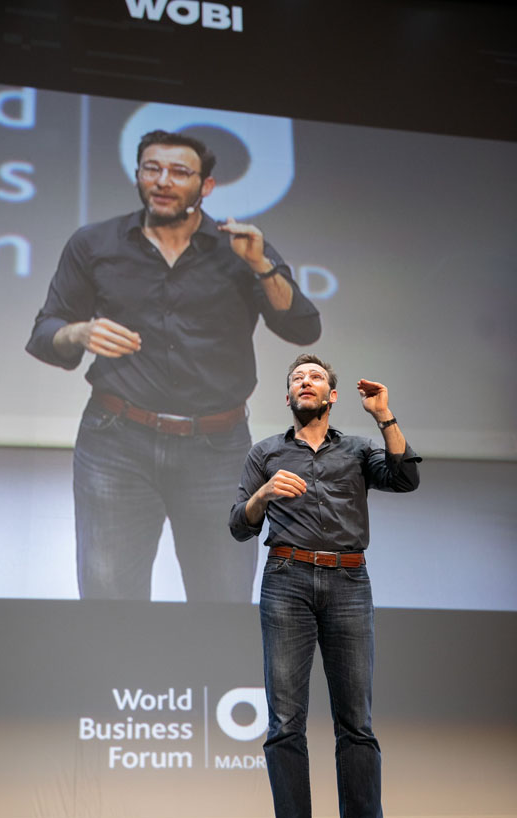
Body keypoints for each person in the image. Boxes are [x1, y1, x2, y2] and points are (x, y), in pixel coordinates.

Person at [26, 130, 321, 602]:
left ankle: (206, 680)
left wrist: (262, 266)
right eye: (151, 168)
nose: (162, 181)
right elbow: (45, 333)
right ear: (139, 174)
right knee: (108, 596)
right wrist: (78, 333)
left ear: (205, 186)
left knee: (222, 594)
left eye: (179, 172)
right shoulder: (94, 243)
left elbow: (303, 327)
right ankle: (117, 679)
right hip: (115, 441)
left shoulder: (241, 249)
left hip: (218, 448)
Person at [229, 354, 424, 818]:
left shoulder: (359, 449)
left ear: (332, 395)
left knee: (356, 724)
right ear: (288, 396)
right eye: (296, 378)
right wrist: (264, 495)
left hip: (348, 582)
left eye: (315, 377)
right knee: (285, 723)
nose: (305, 382)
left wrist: (384, 415)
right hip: (287, 579)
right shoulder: (265, 452)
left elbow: (405, 478)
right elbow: (238, 525)